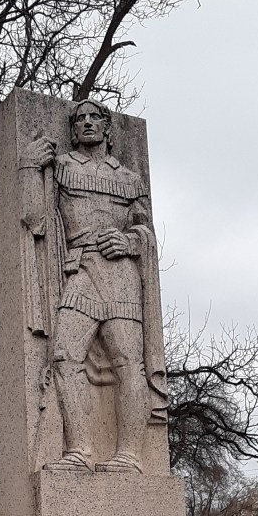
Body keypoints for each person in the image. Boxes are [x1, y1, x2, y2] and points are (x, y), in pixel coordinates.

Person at [20, 99, 167, 472]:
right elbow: (34, 218)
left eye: (94, 117)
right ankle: (80, 450)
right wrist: (30, 167)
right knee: (64, 355)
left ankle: (129, 455)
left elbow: (147, 232)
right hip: (81, 270)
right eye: (79, 119)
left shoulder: (129, 178)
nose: (86, 123)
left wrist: (129, 241)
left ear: (107, 127)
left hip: (121, 276)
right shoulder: (62, 168)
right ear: (72, 130)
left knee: (128, 362)